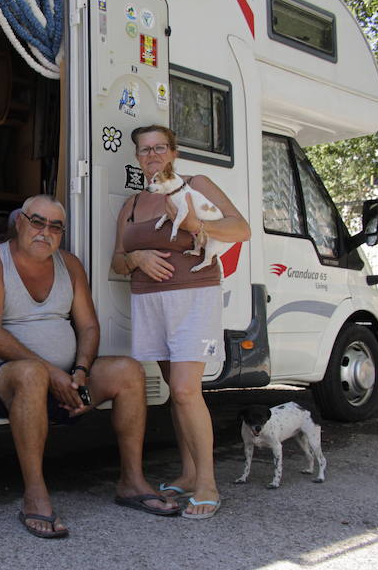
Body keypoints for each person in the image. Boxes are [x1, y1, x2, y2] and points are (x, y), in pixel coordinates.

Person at [0, 194, 178, 539]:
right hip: (4, 380)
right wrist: (52, 372)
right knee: (31, 373)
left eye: (56, 226)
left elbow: (88, 327)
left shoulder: (68, 264)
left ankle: (131, 481)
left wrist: (80, 371)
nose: (46, 232)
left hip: (67, 380)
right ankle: (35, 493)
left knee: (128, 370)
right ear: (20, 223)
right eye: (37, 222)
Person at [111, 125, 251, 519]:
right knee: (178, 391)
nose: (151, 155)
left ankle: (207, 483)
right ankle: (189, 473)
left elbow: (241, 229)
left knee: (188, 390)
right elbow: (116, 261)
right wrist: (136, 260)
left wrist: (194, 226)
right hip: (150, 302)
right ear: (137, 157)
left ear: (172, 152)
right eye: (144, 150)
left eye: (159, 148)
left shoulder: (196, 183)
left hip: (194, 297)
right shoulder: (133, 204)